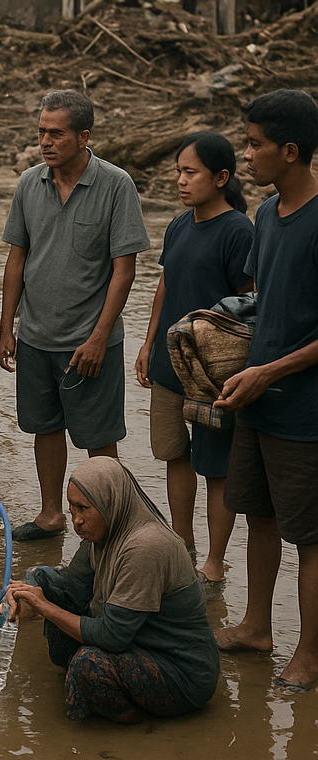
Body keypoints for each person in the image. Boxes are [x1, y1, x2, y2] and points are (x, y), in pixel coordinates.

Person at [0, 90, 150, 541]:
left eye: (56, 133)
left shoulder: (116, 185)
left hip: (89, 341)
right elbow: (17, 260)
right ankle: (51, 515)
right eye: (41, 131)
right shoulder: (29, 184)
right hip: (36, 336)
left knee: (99, 439)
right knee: (45, 428)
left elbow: (125, 271)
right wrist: (7, 328)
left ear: (84, 137)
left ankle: (112, 525)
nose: (45, 141)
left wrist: (100, 337)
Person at [214, 89, 318, 692]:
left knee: (310, 536)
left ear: (291, 150)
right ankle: (256, 627)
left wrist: (270, 372)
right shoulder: (263, 216)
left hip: (304, 409)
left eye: (254, 144)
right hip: (256, 398)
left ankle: (309, 651)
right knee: (257, 513)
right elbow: (261, 302)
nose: (246, 154)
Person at [0, 457, 219, 723]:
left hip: (180, 672)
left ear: (111, 503)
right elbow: (68, 587)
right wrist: (26, 601)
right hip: (137, 643)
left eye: (84, 509)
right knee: (41, 579)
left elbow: (112, 637)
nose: (76, 521)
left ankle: (137, 720)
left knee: (88, 665)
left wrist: (45, 608)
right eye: (71, 508)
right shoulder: (104, 533)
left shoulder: (145, 548)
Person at [135, 132, 253, 586]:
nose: (181, 182)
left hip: (213, 375)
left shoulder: (239, 232)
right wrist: (149, 344)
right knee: (174, 456)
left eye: (191, 173)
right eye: (178, 172)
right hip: (171, 364)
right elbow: (166, 286)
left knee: (215, 467)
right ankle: (180, 544)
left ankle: (215, 564)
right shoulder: (181, 224)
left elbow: (248, 306)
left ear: (221, 178)